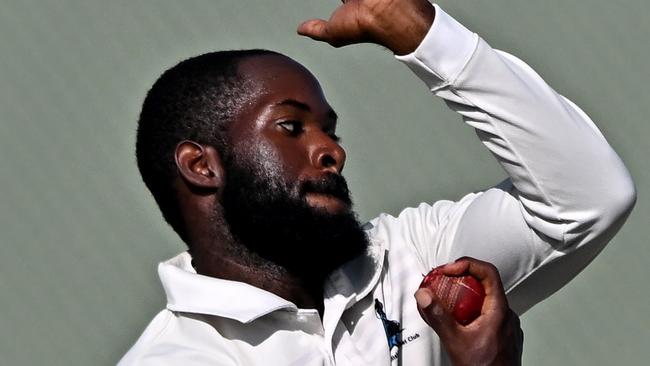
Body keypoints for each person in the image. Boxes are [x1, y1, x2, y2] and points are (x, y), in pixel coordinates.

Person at [119, 0, 636, 365]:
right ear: (200, 165)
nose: (332, 151)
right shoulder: (178, 357)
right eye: (291, 127)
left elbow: (589, 197)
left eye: (330, 129)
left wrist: (423, 36)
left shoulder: (410, 259)